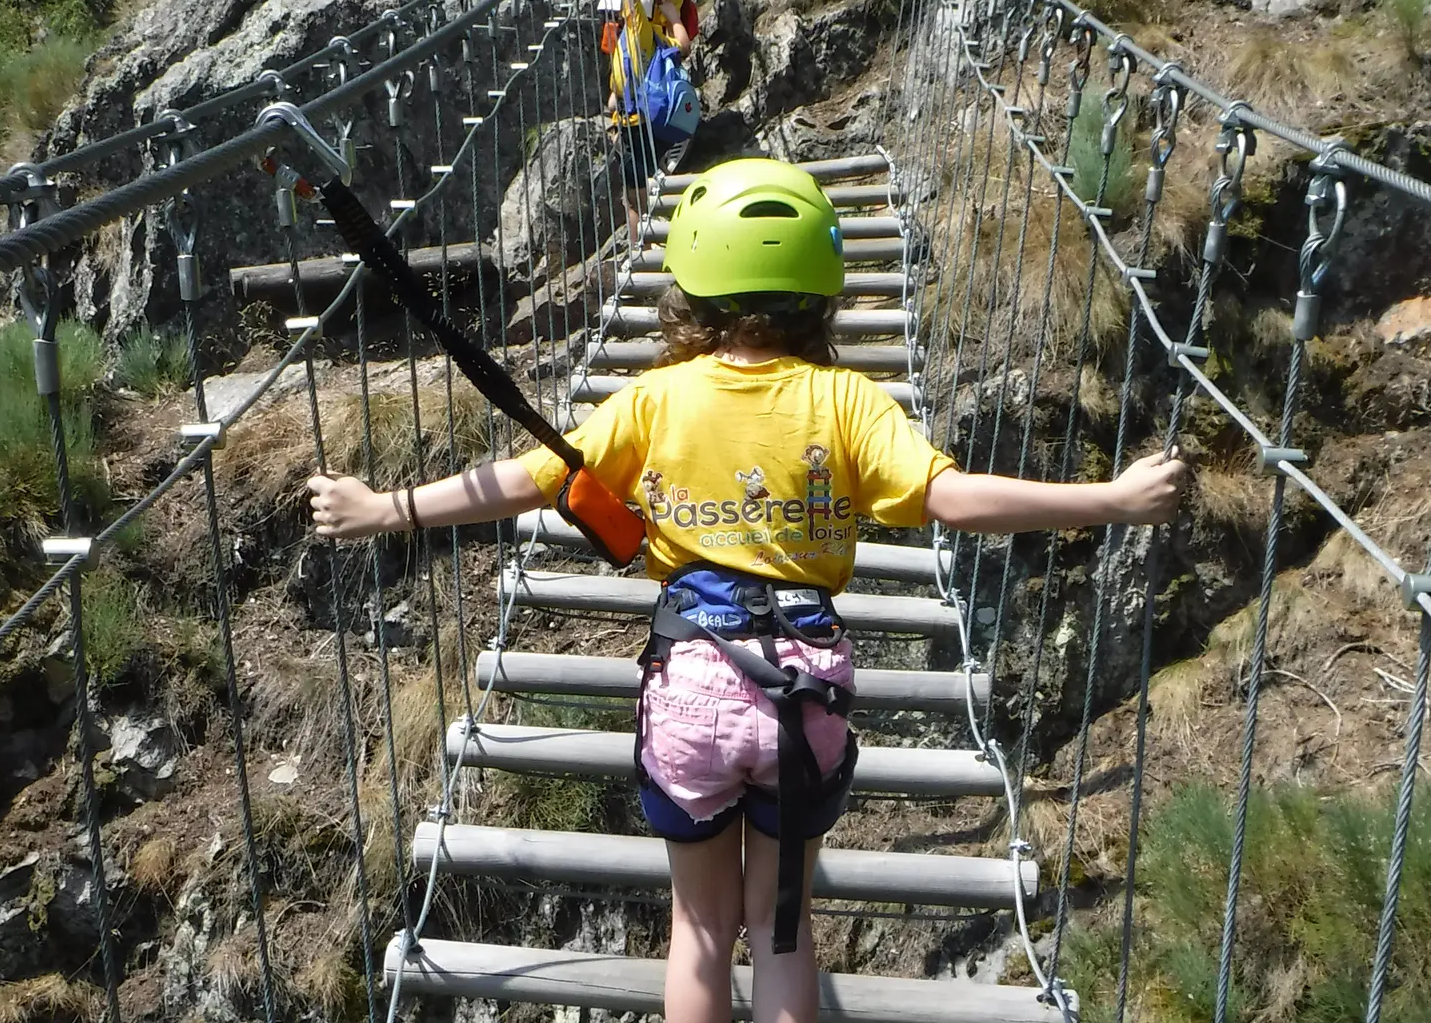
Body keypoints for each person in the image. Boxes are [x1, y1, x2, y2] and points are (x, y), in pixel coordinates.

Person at [305, 159, 1191, 1023]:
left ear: (690, 291)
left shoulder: (654, 400)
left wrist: (387, 509)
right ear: (822, 293)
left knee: (698, 930)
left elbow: (525, 481)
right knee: (781, 932)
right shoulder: (849, 401)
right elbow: (953, 500)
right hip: (804, 694)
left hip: (692, 683)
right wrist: (1111, 500)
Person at [589, 0, 697, 247]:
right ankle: (648, 243)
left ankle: (641, 250)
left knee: (634, 196)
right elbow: (682, 46)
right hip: (647, 118)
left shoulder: (638, 29)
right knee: (639, 189)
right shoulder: (647, 36)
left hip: (635, 123)